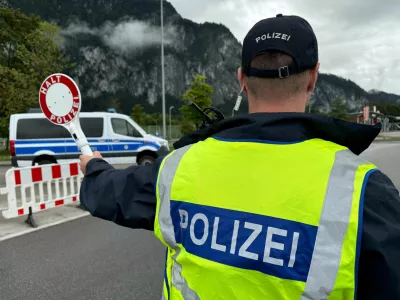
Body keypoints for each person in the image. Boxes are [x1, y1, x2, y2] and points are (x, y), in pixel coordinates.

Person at [79, 14, 400, 300]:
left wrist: (93, 166)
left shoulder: (178, 167)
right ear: (314, 77)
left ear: (242, 80)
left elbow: (109, 192)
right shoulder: (364, 192)